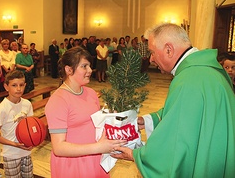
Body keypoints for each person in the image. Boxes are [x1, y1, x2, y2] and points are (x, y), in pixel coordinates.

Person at [111, 23, 235, 177]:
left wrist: (136, 156)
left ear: (168, 50)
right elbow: (189, 113)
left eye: (153, 52)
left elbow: (175, 144)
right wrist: (149, 120)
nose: (151, 59)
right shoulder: (206, 70)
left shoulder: (189, 80)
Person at [45, 46, 126, 178]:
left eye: (89, 66)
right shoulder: (58, 100)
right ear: (69, 69)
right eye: (84, 66)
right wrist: (98, 147)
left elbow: (94, 123)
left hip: (95, 158)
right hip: (73, 164)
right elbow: (58, 148)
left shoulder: (91, 93)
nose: (90, 70)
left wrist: (112, 118)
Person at [0, 70, 34, 178]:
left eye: (21, 85)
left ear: (25, 85)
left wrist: (32, 140)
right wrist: (14, 144)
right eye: (14, 85)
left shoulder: (27, 104)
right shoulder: (2, 108)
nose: (18, 89)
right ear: (6, 86)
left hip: (26, 152)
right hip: (11, 154)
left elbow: (31, 127)